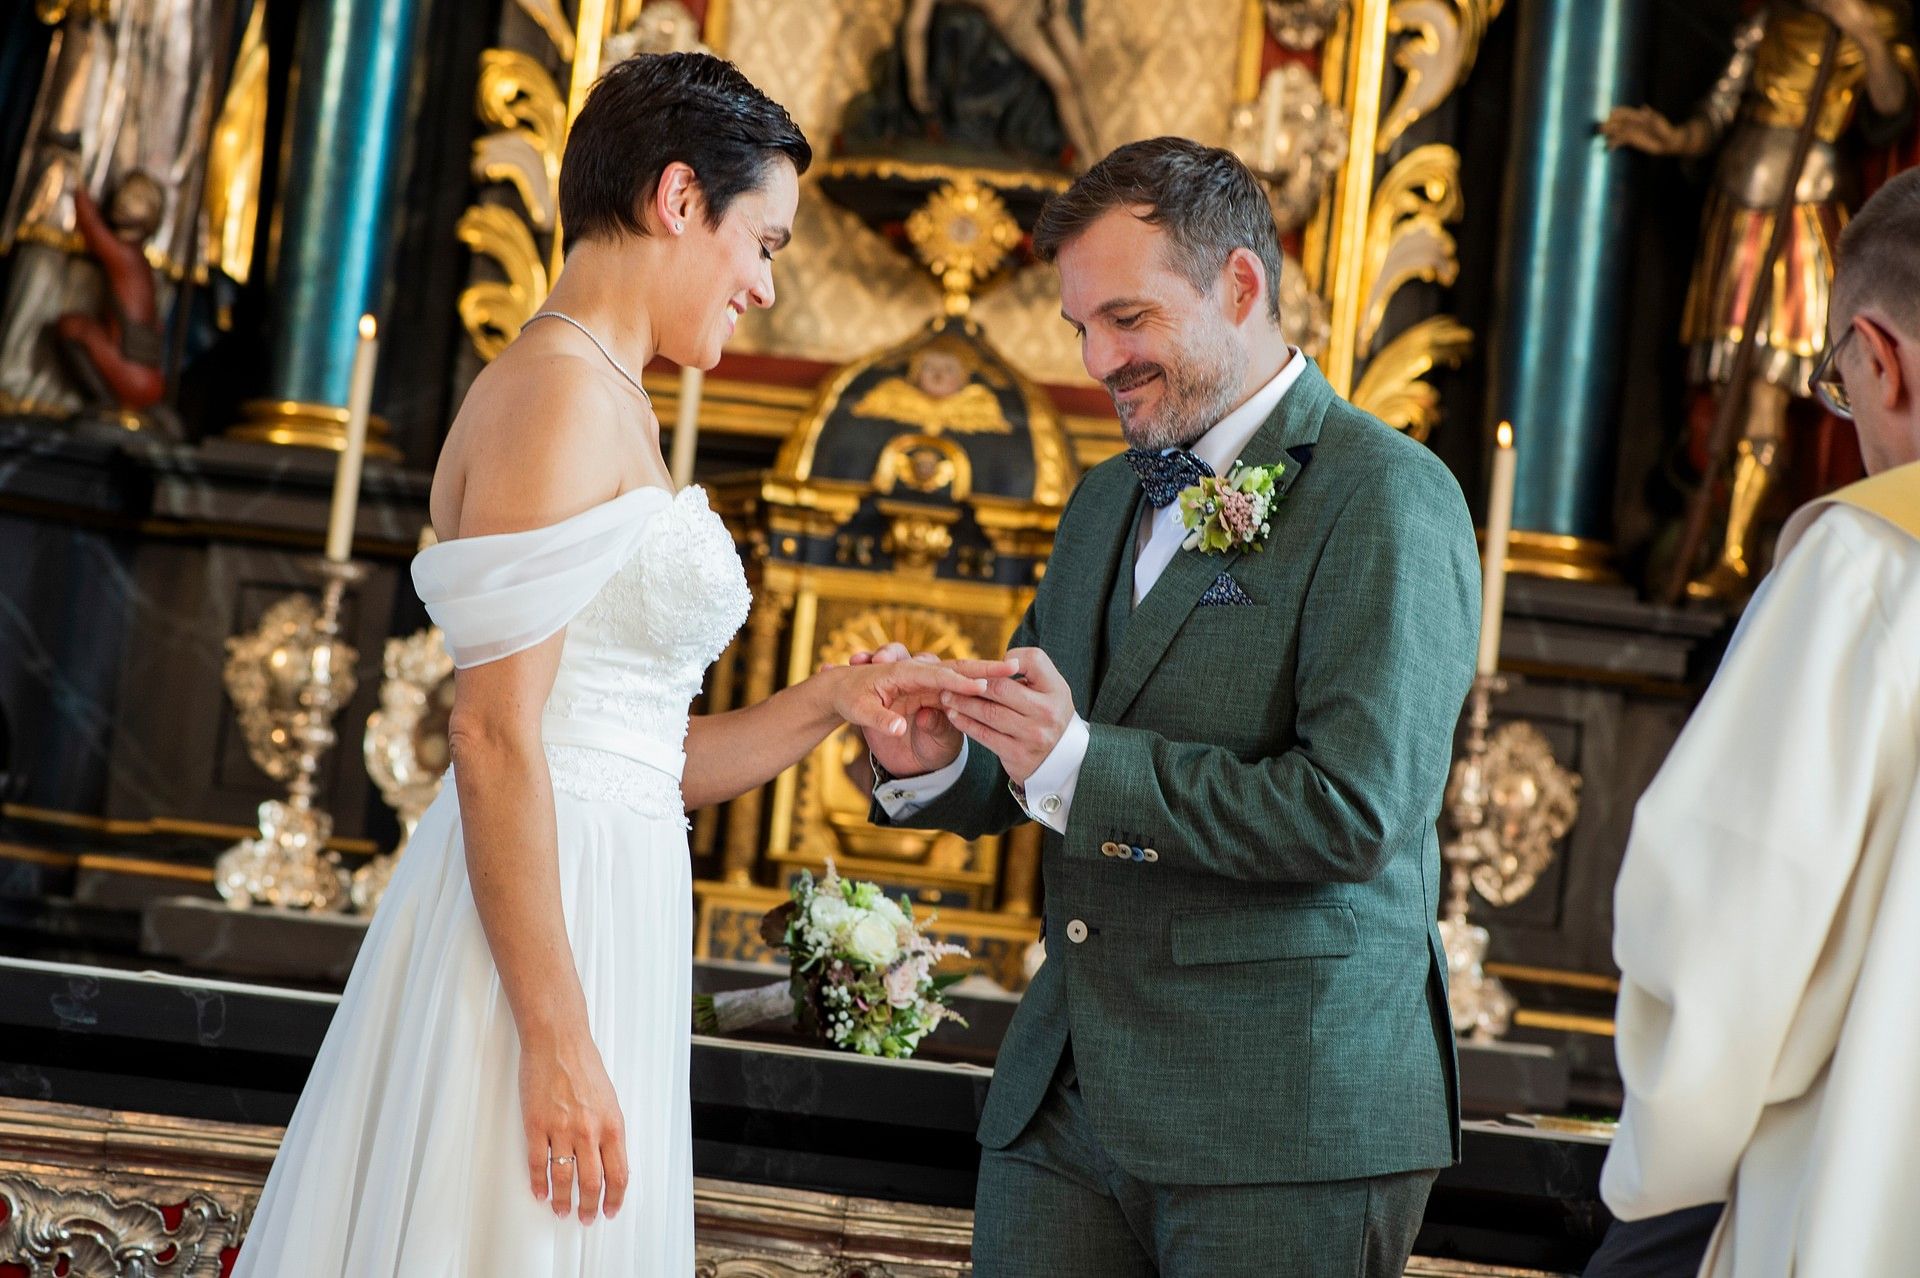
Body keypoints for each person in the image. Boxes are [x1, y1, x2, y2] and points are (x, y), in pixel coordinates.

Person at [231, 53, 1004, 1277]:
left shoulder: (609, 397)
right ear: (680, 200)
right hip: (541, 938)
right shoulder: (555, 394)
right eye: (765, 244)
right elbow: (490, 738)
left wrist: (831, 701)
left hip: (603, 900)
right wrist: (555, 1036)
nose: (761, 287)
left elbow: (632, 754)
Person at [856, 137, 1481, 1276]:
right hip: (1063, 1105)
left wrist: (1082, 764)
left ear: (1242, 286)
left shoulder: (1389, 495)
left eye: (1129, 320)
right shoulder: (1103, 499)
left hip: (1285, 1116)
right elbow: (1048, 752)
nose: (1099, 359)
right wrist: (943, 759)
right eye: (1081, 328)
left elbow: (1354, 810)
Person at [1597, 167, 1920, 1277]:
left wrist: (1657, 1177)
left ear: (1880, 358)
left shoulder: (1870, 561)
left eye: (1835, 382)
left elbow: (1727, 921)